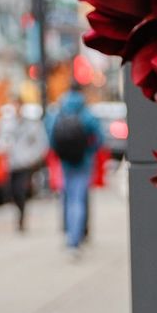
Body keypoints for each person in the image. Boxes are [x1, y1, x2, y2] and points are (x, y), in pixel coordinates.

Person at [47, 82, 103, 254]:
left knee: (67, 197)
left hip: (65, 163)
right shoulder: (86, 112)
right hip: (83, 162)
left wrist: (61, 153)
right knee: (79, 199)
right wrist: (89, 152)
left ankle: (69, 233)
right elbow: (100, 138)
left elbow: (51, 136)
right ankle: (75, 238)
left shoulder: (59, 111)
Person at [0, 97, 48, 232]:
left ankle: (21, 219)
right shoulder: (6, 123)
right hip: (11, 163)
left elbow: (41, 142)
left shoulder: (31, 123)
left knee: (20, 190)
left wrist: (31, 157)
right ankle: (19, 212)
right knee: (12, 191)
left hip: (24, 164)